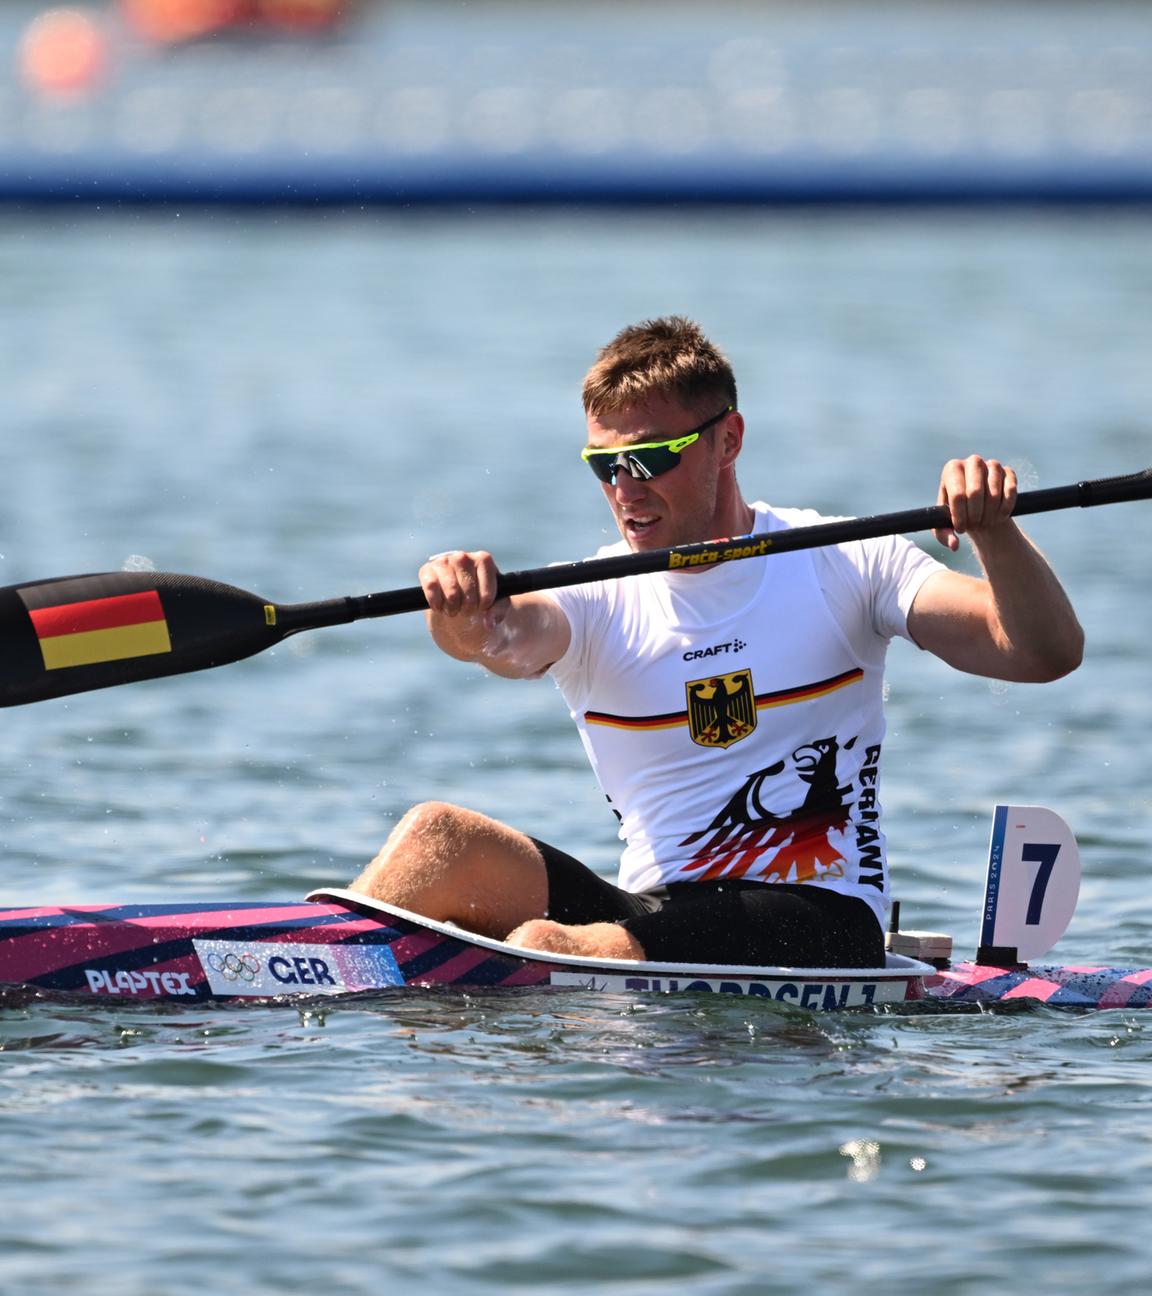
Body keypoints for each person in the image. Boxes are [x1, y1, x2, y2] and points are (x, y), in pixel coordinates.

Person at [350, 317, 1083, 968]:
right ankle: (299, 968)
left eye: (648, 459)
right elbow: (499, 637)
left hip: (821, 920)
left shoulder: (848, 560)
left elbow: (1040, 652)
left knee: (548, 945)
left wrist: (996, 531)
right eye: (604, 466)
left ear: (727, 439)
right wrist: (461, 611)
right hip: (657, 912)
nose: (624, 490)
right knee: (435, 836)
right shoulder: (595, 595)